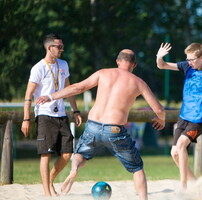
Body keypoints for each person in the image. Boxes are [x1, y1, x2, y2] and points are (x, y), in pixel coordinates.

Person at [35, 49, 166, 200]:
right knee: (137, 168)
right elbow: (158, 109)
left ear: (118, 61)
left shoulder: (103, 73)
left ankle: (74, 170)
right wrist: (161, 119)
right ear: (134, 64)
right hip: (115, 130)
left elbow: (77, 88)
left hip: (93, 125)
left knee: (80, 154)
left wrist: (51, 96)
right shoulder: (138, 82)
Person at [156, 42, 202, 190]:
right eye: (187, 59)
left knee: (182, 145)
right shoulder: (186, 67)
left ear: (201, 57)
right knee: (175, 153)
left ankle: (183, 185)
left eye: (192, 59)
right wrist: (159, 57)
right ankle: (195, 183)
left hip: (199, 118)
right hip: (184, 116)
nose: (189, 62)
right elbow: (162, 65)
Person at [21, 33, 82, 196]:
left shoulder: (64, 64)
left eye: (62, 46)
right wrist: (26, 119)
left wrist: (75, 110)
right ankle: (47, 193)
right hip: (44, 115)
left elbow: (69, 90)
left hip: (61, 114)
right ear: (50, 48)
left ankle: (49, 179)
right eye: (59, 47)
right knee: (45, 154)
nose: (62, 49)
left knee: (67, 153)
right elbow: (28, 95)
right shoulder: (38, 68)